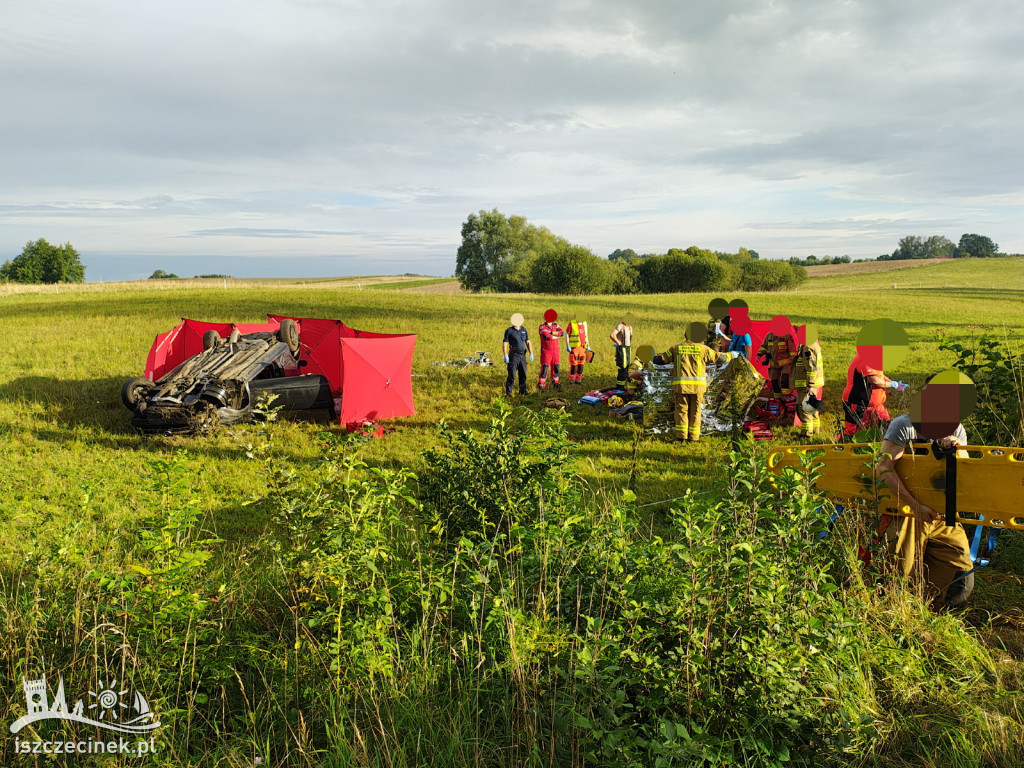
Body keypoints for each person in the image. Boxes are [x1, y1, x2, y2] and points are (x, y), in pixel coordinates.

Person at [875, 403, 975, 611]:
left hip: (943, 513)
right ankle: (896, 618)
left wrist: (957, 451)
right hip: (907, 511)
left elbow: (966, 475)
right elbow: (883, 468)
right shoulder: (905, 425)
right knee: (900, 573)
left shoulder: (956, 428)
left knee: (960, 573)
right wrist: (914, 506)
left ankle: (933, 613)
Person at [655, 323, 731, 442]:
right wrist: (731, 355)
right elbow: (719, 359)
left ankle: (681, 437)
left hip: (681, 386)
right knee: (696, 411)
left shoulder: (676, 348)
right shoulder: (704, 349)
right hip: (698, 388)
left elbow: (661, 360)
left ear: (685, 335)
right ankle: (694, 438)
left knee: (681, 410)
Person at [841, 352, 905, 439]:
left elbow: (878, 375)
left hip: (876, 405)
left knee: (886, 427)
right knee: (855, 434)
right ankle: (844, 449)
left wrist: (892, 383)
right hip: (859, 404)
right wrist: (891, 384)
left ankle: (882, 447)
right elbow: (873, 379)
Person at [793, 339, 824, 437]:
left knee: (803, 409)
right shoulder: (813, 345)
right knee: (812, 407)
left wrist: (810, 385)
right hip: (814, 382)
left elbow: (811, 367)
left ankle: (806, 434)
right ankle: (816, 431)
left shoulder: (807, 348)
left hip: (807, 384)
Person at [756, 325, 798, 394]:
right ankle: (777, 401)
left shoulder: (787, 336)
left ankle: (787, 399)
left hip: (786, 364)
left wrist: (788, 361)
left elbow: (793, 353)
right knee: (774, 384)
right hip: (774, 365)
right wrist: (759, 354)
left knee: (785, 380)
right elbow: (764, 347)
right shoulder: (769, 335)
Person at [502, 313, 534, 396]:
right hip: (514, 356)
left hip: (522, 356)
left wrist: (531, 353)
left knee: (523, 374)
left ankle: (522, 391)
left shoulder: (524, 330)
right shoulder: (509, 331)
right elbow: (505, 343)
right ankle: (508, 393)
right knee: (512, 375)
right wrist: (505, 354)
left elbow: (528, 341)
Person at [537, 309, 565, 391]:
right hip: (546, 351)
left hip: (556, 350)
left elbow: (562, 333)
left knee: (556, 367)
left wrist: (551, 332)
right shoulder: (542, 326)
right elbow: (546, 336)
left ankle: (556, 382)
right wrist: (556, 335)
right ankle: (541, 384)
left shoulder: (556, 325)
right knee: (545, 367)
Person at [565, 317, 590, 385]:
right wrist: (567, 345)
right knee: (574, 365)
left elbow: (585, 335)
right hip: (574, 348)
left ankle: (578, 379)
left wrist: (588, 345)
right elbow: (567, 334)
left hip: (582, 348)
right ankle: (572, 380)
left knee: (581, 365)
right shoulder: (572, 323)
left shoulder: (584, 324)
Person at [609, 318, 633, 383]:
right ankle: (620, 386)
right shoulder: (620, 325)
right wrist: (618, 343)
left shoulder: (630, 327)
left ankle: (626, 384)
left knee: (627, 367)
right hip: (622, 349)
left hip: (628, 349)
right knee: (622, 367)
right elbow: (612, 335)